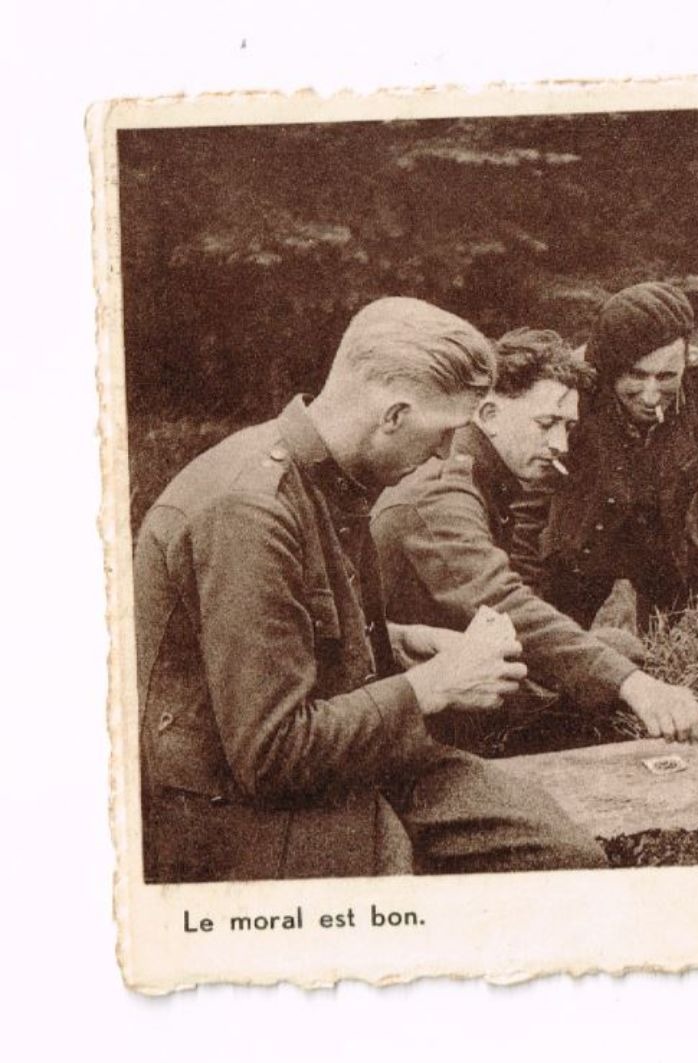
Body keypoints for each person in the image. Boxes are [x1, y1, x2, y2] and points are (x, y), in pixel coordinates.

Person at [135, 297, 609, 883]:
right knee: (401, 894)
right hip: (239, 804)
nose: (444, 453)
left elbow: (290, 636)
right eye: (442, 434)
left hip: (343, 757)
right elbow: (270, 753)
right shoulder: (249, 511)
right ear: (392, 416)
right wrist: (434, 685)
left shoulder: (337, 480)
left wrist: (397, 640)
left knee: (565, 855)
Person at [372, 327, 698, 754]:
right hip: (408, 697)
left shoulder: (480, 474)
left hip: (449, 666)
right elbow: (502, 601)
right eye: (546, 424)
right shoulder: (441, 489)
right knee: (617, 667)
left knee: (617, 650)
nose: (559, 445)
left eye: (567, 427)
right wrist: (633, 685)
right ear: (490, 414)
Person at [514, 282, 698, 654]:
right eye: (636, 376)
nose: (650, 394)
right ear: (607, 368)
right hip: (582, 535)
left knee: (673, 653)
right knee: (552, 652)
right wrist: (525, 600)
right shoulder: (572, 386)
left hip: (675, 538)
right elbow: (528, 501)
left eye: (666, 377)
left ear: (686, 359)